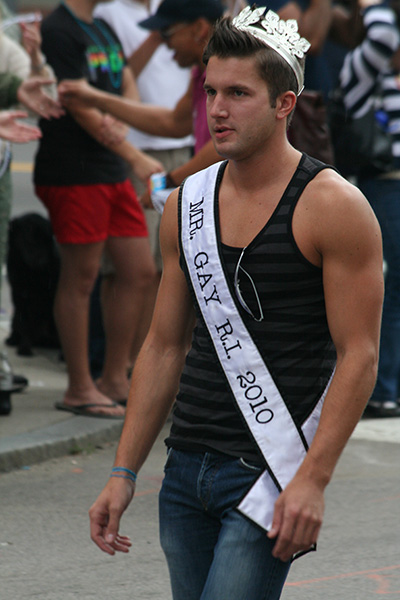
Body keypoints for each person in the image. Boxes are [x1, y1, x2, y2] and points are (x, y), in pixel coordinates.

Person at [86, 6, 383, 599]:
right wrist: (123, 471)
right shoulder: (186, 204)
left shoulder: (333, 206)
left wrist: (313, 479)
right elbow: (163, 345)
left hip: (268, 475)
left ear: (284, 104)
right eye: (211, 91)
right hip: (184, 469)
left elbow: (360, 355)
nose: (218, 109)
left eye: (239, 93)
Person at [34, 0, 163, 418]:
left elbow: (127, 78)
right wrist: (133, 153)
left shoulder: (101, 26)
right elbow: (74, 101)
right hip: (72, 169)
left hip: (109, 167)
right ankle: (79, 387)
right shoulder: (58, 29)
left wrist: (124, 117)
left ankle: (114, 378)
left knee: (139, 271)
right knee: (82, 275)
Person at [92, 0, 193, 366]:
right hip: (139, 148)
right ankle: (122, 364)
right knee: (133, 268)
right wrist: (159, 33)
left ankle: (145, 362)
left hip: (182, 147)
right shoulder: (110, 13)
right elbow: (119, 77)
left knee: (167, 266)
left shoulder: (180, 9)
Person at [58, 0, 226, 197]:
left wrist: (169, 181)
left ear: (199, 28)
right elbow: (174, 122)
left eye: (166, 33)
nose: (166, 44)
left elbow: (222, 143)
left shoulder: (227, 74)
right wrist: (96, 99)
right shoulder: (200, 73)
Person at [338, 0, 400, 417]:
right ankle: (381, 389)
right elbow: (382, 35)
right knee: (389, 286)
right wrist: (374, 3)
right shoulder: (362, 71)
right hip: (384, 186)